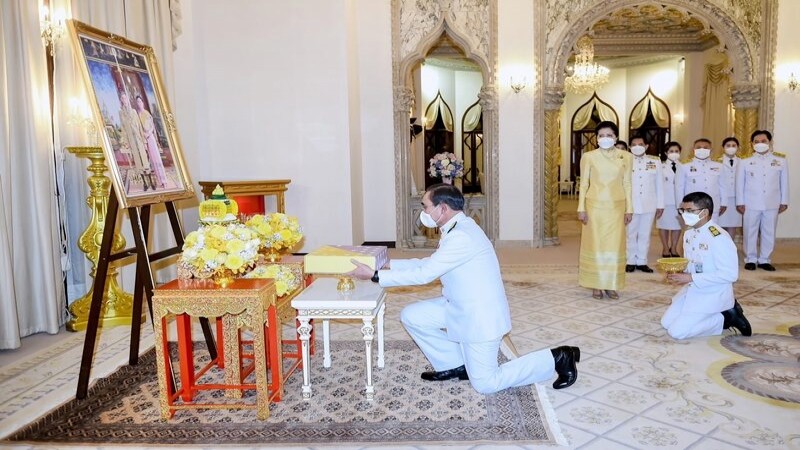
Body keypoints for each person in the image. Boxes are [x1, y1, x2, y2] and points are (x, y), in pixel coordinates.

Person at [349, 184, 581, 393]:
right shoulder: (457, 228)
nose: (424, 213)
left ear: (443, 208)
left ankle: (558, 357)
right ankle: (455, 365)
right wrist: (392, 264)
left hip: (480, 317)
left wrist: (375, 276)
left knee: (486, 384)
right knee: (412, 315)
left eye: (426, 207)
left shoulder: (462, 236)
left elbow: (425, 274)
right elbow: (429, 263)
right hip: (458, 306)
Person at [662, 191, 752, 339]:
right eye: (682, 210)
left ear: (704, 213)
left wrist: (690, 278)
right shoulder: (689, 233)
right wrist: (678, 272)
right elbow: (692, 264)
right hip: (693, 290)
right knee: (666, 323)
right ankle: (707, 315)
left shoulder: (718, 237)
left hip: (712, 293)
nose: (684, 214)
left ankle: (727, 318)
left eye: (689, 211)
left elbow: (730, 274)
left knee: (677, 332)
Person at [577, 121, 633, 300]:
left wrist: (629, 209)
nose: (605, 138)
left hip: (617, 208)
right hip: (595, 208)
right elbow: (584, 184)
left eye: (609, 135)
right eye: (601, 135)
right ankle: (597, 284)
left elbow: (627, 184)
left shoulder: (626, 157)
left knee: (614, 247)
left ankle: (611, 285)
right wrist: (581, 208)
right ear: (596, 138)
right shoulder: (589, 156)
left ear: (616, 137)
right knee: (596, 245)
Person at [735, 130, 790, 271]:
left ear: (770, 142)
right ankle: (751, 259)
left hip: (772, 202)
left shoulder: (780, 160)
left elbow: (784, 182)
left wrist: (784, 201)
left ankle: (765, 259)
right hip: (750, 203)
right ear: (752, 144)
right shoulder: (745, 161)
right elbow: (739, 183)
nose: (760, 144)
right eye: (756, 142)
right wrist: (739, 202)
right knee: (749, 231)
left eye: (763, 141)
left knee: (769, 231)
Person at [626, 135, 663, 273]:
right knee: (630, 233)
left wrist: (661, 205)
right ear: (630, 147)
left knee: (645, 234)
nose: (637, 146)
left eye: (640, 144)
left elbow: (659, 184)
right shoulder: (625, 161)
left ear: (646, 146)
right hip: (631, 205)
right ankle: (630, 261)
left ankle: (642, 261)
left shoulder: (655, 161)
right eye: (634, 144)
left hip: (649, 203)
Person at [675, 138, 728, 221]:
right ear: (693, 150)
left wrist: (724, 203)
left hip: (713, 205)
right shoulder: (684, 166)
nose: (702, 150)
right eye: (699, 147)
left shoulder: (719, 166)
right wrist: (680, 206)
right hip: (692, 207)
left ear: (711, 150)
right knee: (693, 232)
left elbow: (723, 186)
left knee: (711, 231)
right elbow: (679, 188)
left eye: (706, 148)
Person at [117, 90, 152, 191]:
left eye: (126, 98)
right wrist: (125, 142)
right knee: (138, 163)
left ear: (128, 99)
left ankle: (150, 180)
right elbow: (123, 128)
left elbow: (140, 127)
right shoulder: (121, 113)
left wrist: (144, 141)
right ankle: (145, 183)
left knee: (145, 161)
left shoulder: (134, 111)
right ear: (121, 100)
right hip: (132, 141)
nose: (124, 100)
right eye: (122, 98)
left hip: (139, 139)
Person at [135, 95, 168, 189]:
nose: (139, 103)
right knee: (152, 161)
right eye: (137, 102)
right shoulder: (137, 115)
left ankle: (164, 180)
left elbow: (152, 126)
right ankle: (158, 181)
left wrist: (148, 133)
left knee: (157, 159)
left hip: (150, 138)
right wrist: (143, 137)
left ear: (143, 103)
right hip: (144, 140)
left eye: (140, 101)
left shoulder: (146, 113)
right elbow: (139, 128)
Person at [657, 142, 683, 257]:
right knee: (664, 226)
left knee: (677, 226)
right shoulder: (660, 166)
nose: (674, 153)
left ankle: (674, 248)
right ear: (666, 153)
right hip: (665, 202)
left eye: (676, 151)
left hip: (680, 202)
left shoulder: (684, 166)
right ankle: (665, 248)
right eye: (671, 151)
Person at [717, 137, 743, 240]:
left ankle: (731, 247)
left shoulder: (742, 162)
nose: (731, 148)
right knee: (720, 224)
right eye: (728, 146)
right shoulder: (717, 162)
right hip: (721, 197)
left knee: (733, 224)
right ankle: (721, 247)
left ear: (738, 147)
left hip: (736, 198)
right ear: (723, 147)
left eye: (733, 145)